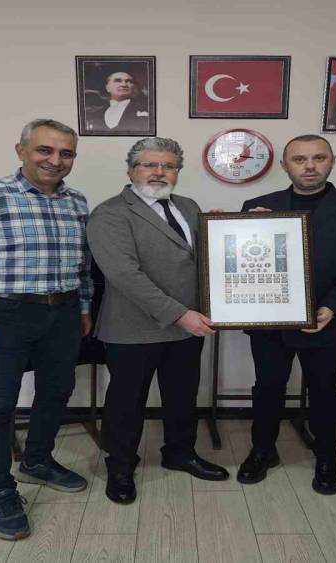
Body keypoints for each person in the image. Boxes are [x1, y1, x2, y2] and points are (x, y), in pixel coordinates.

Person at [0, 118, 93, 541]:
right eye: (45, 150)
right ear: (21, 151)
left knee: (57, 391)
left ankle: (37, 461)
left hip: (63, 312)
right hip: (5, 314)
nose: (55, 160)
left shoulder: (77, 202)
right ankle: (0, 491)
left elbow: (83, 266)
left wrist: (84, 309)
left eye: (66, 153)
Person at [87, 137, 229, 505]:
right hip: (133, 328)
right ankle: (120, 466)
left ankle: (180, 453)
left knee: (182, 396)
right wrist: (180, 315)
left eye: (168, 166)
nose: (159, 172)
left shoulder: (188, 206)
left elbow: (201, 257)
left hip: (188, 326)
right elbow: (125, 275)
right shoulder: (109, 213)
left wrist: (232, 228)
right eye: (149, 164)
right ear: (131, 170)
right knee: (126, 402)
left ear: (177, 172)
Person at [237, 135, 336, 494]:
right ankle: (263, 449)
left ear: (332, 161)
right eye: (299, 159)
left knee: (325, 389)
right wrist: (246, 229)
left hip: (327, 317)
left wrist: (331, 307)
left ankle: (327, 455)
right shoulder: (258, 205)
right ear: (285, 165)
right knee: (267, 386)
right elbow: (242, 261)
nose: (310, 166)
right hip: (270, 318)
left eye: (319, 158)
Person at [84, 71, 151, 132]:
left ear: (133, 87)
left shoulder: (146, 110)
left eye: (129, 81)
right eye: (118, 81)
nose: (124, 84)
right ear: (107, 88)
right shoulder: (95, 115)